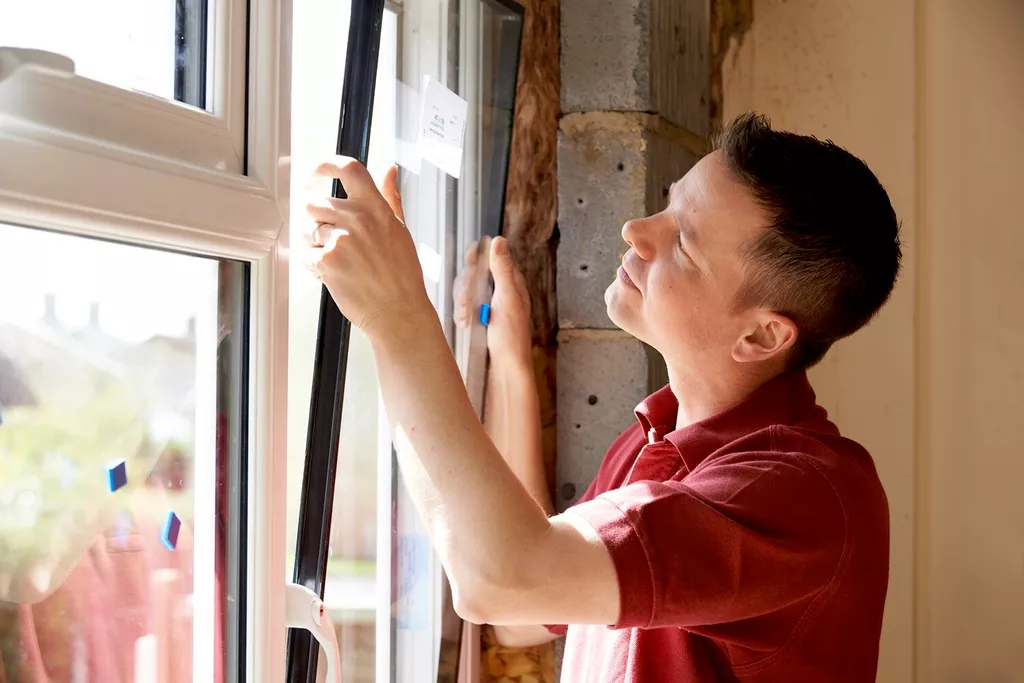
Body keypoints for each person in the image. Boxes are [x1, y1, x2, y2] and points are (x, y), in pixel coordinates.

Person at [302, 112, 901, 682]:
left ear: (762, 334)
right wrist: (510, 365)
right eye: (667, 205)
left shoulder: (803, 497)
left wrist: (396, 313)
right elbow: (526, 612)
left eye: (684, 244)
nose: (636, 231)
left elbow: (503, 580)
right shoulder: (654, 440)